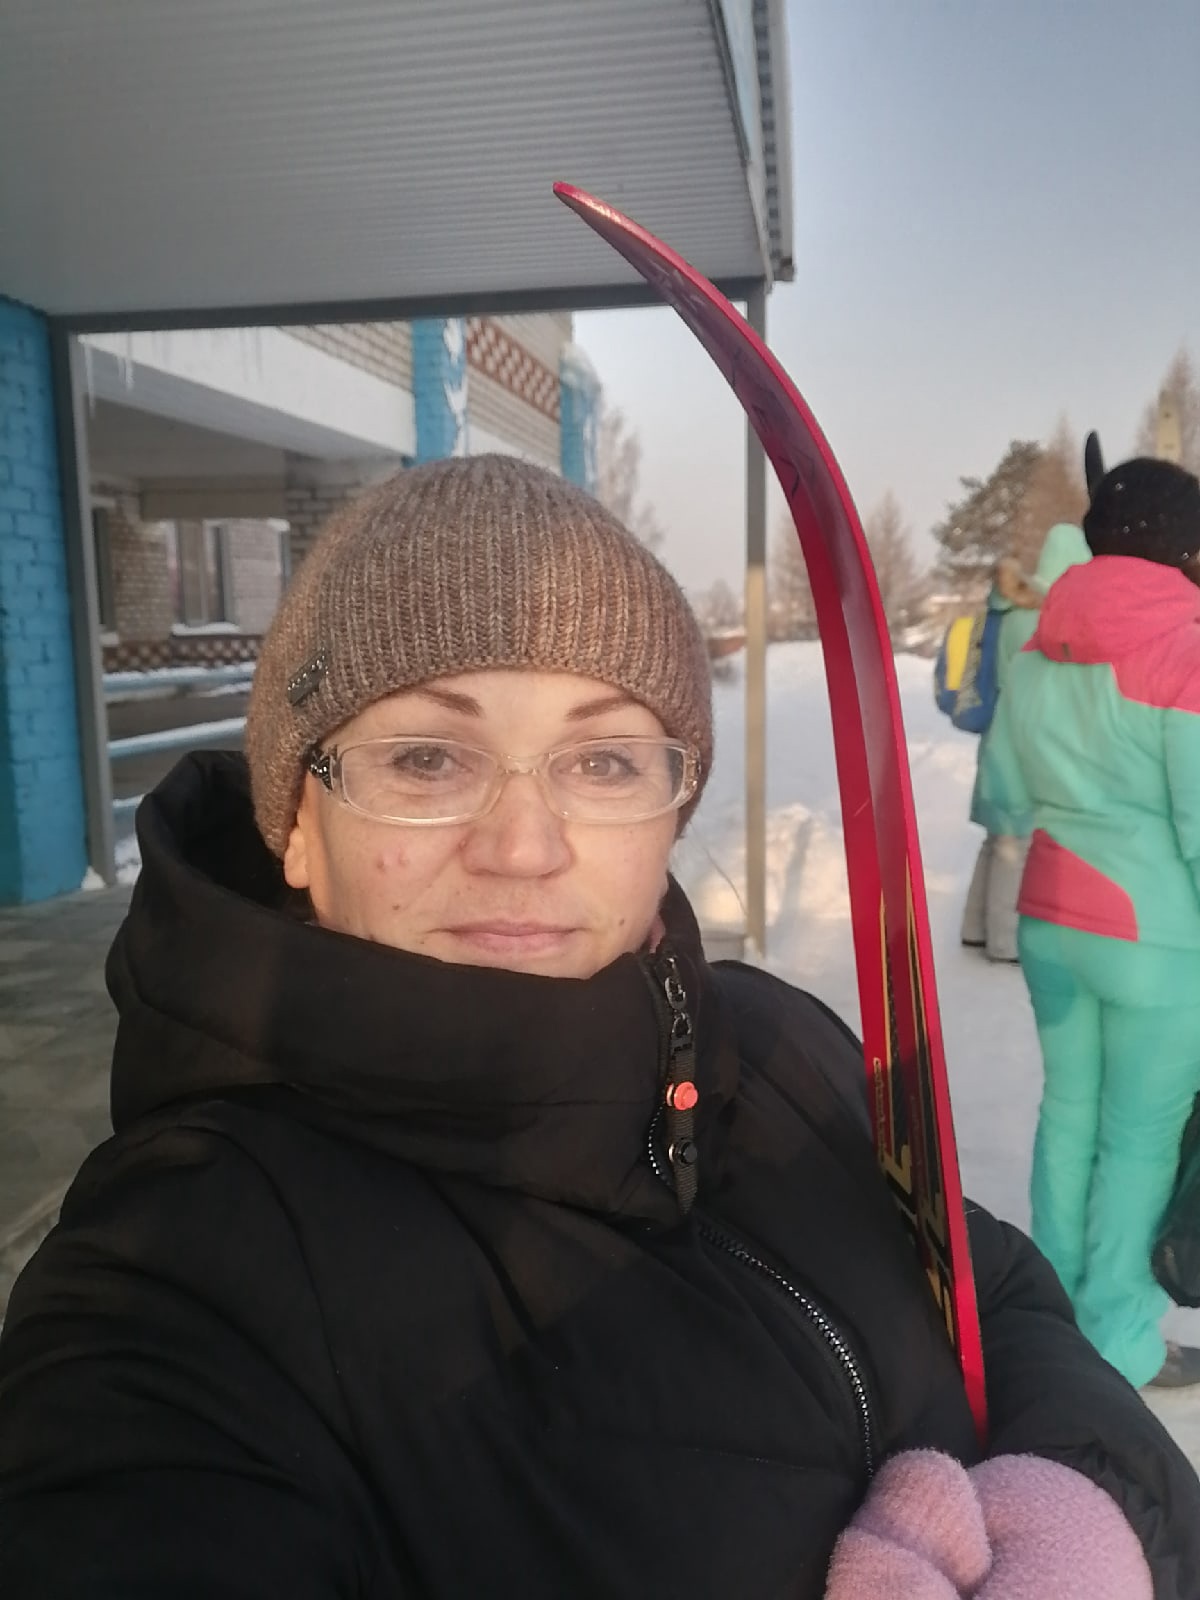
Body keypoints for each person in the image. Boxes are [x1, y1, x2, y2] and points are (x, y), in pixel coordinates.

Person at [0, 455, 1196, 1598]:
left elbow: (995, 1287)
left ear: (672, 801)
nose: (524, 847)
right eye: (427, 756)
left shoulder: (775, 1042)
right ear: (297, 824)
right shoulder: (184, 1275)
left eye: (605, 762)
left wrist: (1088, 1508)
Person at [988, 456, 1200, 1392]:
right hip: (1155, 938)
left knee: (1067, 1116)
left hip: (1050, 917)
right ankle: (1120, 1342)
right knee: (1140, 1139)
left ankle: (1052, 1323)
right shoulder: (1187, 651)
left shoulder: (1038, 645)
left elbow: (1005, 787)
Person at [960, 526, 1091, 962]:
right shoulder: (1047, 616)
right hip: (1024, 742)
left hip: (1000, 735)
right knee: (1014, 845)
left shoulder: (1011, 609)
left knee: (996, 840)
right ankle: (1004, 941)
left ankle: (974, 928)